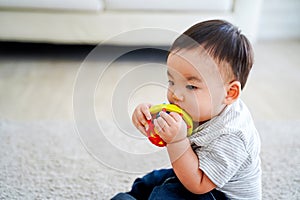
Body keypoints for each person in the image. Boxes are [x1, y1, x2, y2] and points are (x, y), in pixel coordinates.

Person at [112, 19, 261, 200]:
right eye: (172, 82)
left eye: (190, 86)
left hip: (216, 193)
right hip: (196, 170)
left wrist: (177, 141)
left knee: (168, 193)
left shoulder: (232, 136)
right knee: (153, 180)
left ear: (230, 93)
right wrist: (151, 119)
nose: (175, 94)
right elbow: (173, 125)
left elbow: (198, 185)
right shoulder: (208, 104)